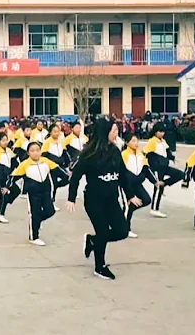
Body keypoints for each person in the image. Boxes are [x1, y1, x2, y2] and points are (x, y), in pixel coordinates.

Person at [66, 118, 138, 280]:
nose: (116, 133)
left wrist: (130, 195)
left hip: (112, 199)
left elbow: (123, 175)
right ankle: (100, 266)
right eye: (113, 131)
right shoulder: (89, 154)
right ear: (104, 132)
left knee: (122, 231)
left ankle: (92, 241)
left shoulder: (115, 151)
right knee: (103, 232)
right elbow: (76, 176)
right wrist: (71, 198)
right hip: (94, 200)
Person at [7, 142, 69, 246]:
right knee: (34, 213)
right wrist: (7, 187)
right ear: (28, 153)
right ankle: (34, 236)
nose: (35, 153)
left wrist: (67, 176)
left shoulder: (46, 161)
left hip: (46, 191)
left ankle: (37, 221)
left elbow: (58, 170)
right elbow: (13, 177)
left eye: (37, 150)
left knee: (50, 211)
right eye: (32, 151)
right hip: (33, 193)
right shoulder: (25, 164)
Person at [144, 123, 182, 218]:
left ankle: (164, 183)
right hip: (157, 167)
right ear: (155, 131)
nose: (162, 133)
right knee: (158, 187)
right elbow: (145, 153)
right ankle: (154, 209)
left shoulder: (163, 141)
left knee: (180, 174)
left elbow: (167, 151)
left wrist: (172, 158)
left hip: (164, 166)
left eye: (163, 131)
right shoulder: (152, 141)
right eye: (160, 131)